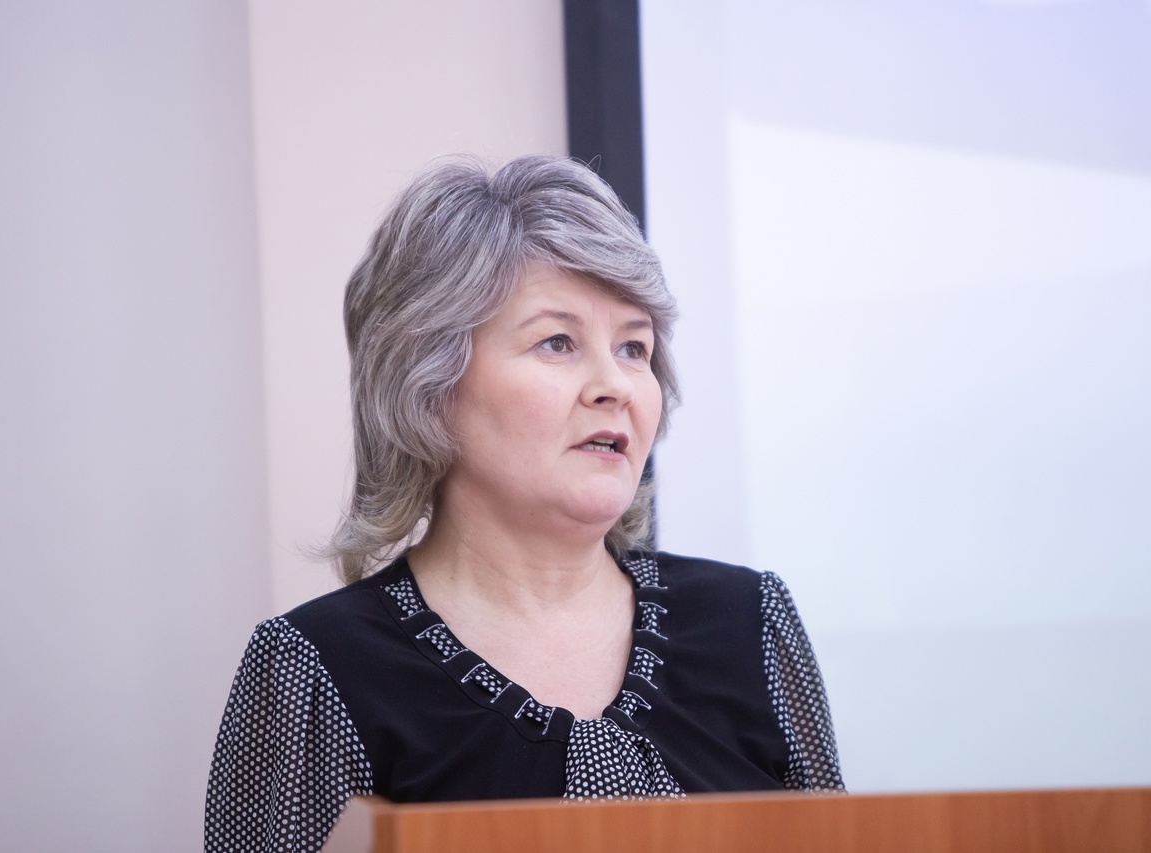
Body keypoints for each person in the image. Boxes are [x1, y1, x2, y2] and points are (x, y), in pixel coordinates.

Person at [204, 156, 843, 852]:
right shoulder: (314, 668)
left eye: (634, 347)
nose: (615, 384)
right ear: (429, 385)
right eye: (557, 342)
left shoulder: (751, 621)